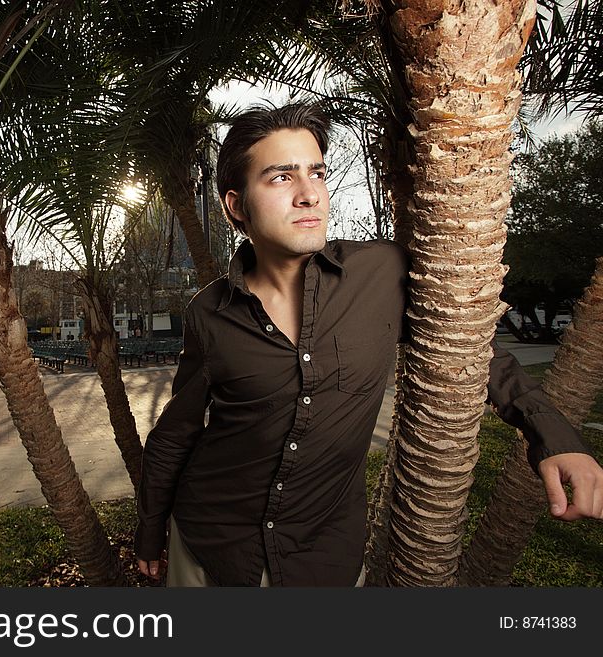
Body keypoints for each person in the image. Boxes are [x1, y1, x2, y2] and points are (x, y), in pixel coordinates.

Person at [134, 103, 603, 587]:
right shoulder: (207, 312)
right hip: (210, 545)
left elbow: (471, 350)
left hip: (326, 552)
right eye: (280, 177)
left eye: (316, 173)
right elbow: (177, 433)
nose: (308, 194)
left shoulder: (381, 273)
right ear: (236, 206)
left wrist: (555, 438)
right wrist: (151, 532)